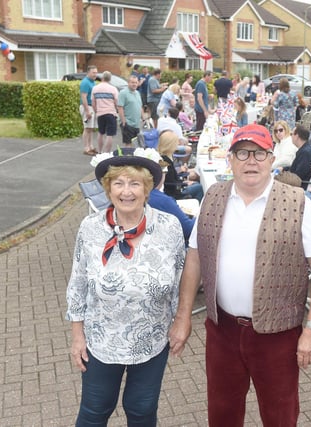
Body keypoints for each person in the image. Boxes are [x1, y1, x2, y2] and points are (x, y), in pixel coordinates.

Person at [168, 123, 311, 427]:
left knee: (280, 415)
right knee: (222, 413)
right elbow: (194, 259)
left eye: (260, 153)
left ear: (272, 159)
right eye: (242, 153)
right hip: (223, 330)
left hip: (277, 335)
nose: (251, 161)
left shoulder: (297, 203)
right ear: (230, 159)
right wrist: (182, 317)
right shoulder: (213, 197)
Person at [66, 147, 185, 426]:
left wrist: (181, 320)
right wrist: (77, 337)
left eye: (135, 183)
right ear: (108, 189)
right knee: (95, 410)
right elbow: (78, 284)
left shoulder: (169, 227)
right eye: (118, 183)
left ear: (147, 189)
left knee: (142, 410)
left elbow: (181, 279)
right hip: (102, 340)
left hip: (152, 339)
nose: (126, 191)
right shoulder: (90, 228)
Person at [158, 130, 203, 202]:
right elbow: (169, 183)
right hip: (174, 194)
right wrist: (183, 183)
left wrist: (183, 182)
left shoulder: (164, 157)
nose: (178, 144)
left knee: (196, 183)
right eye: (176, 143)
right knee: (199, 187)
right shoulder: (165, 161)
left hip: (174, 188)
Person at [91, 71, 119, 154]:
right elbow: (116, 102)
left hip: (100, 113)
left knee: (100, 132)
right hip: (111, 113)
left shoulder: (95, 88)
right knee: (109, 134)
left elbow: (93, 103)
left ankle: (100, 151)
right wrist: (116, 111)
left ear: (102, 77)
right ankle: (106, 152)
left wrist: (97, 111)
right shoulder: (113, 89)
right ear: (110, 79)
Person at [287, 125, 311, 189]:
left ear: (297, 136)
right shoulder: (305, 150)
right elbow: (297, 168)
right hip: (298, 183)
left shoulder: (306, 153)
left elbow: (297, 176)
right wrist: (283, 168)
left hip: (298, 187)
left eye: (292, 134)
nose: (291, 136)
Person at [117, 74, 144, 146]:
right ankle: (127, 157)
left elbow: (140, 106)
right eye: (132, 82)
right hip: (128, 123)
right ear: (128, 83)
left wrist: (143, 118)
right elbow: (120, 107)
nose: (134, 84)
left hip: (137, 124)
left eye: (136, 82)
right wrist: (123, 121)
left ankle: (133, 157)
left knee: (137, 144)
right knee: (128, 144)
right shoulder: (123, 93)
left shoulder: (137, 93)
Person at [79, 65, 98, 155]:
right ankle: (86, 148)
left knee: (91, 128)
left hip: (92, 106)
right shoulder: (85, 82)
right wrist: (87, 111)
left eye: (96, 72)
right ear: (88, 72)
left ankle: (91, 146)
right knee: (87, 128)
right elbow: (84, 97)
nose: (95, 74)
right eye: (93, 72)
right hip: (87, 106)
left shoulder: (93, 82)